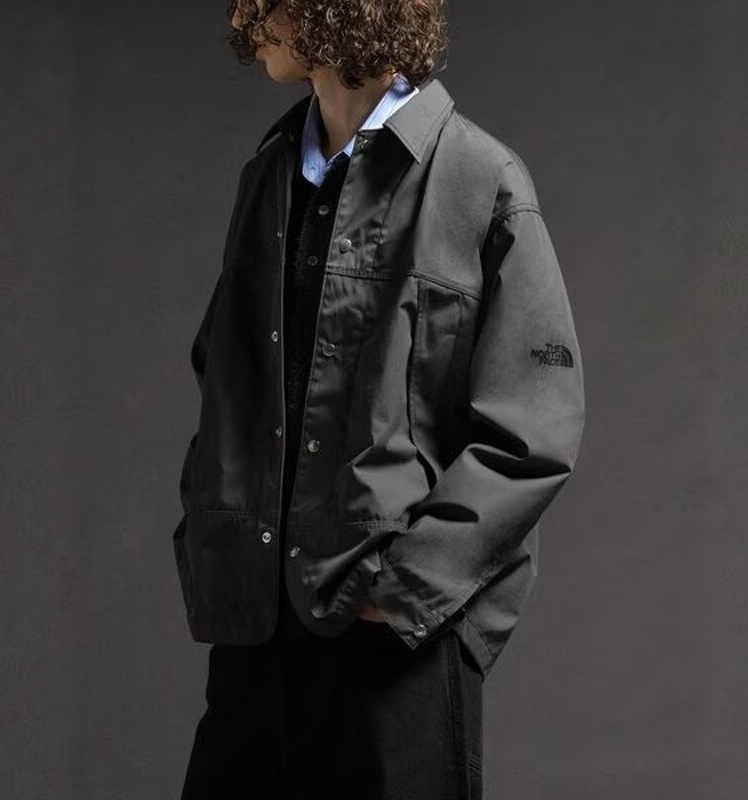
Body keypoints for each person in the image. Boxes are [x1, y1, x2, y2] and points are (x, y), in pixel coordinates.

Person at [174, 1, 585, 797]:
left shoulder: (480, 178)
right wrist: (213, 540)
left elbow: (535, 425)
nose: (246, 16)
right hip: (258, 631)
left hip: (395, 644)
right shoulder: (269, 174)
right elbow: (223, 380)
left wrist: (406, 590)